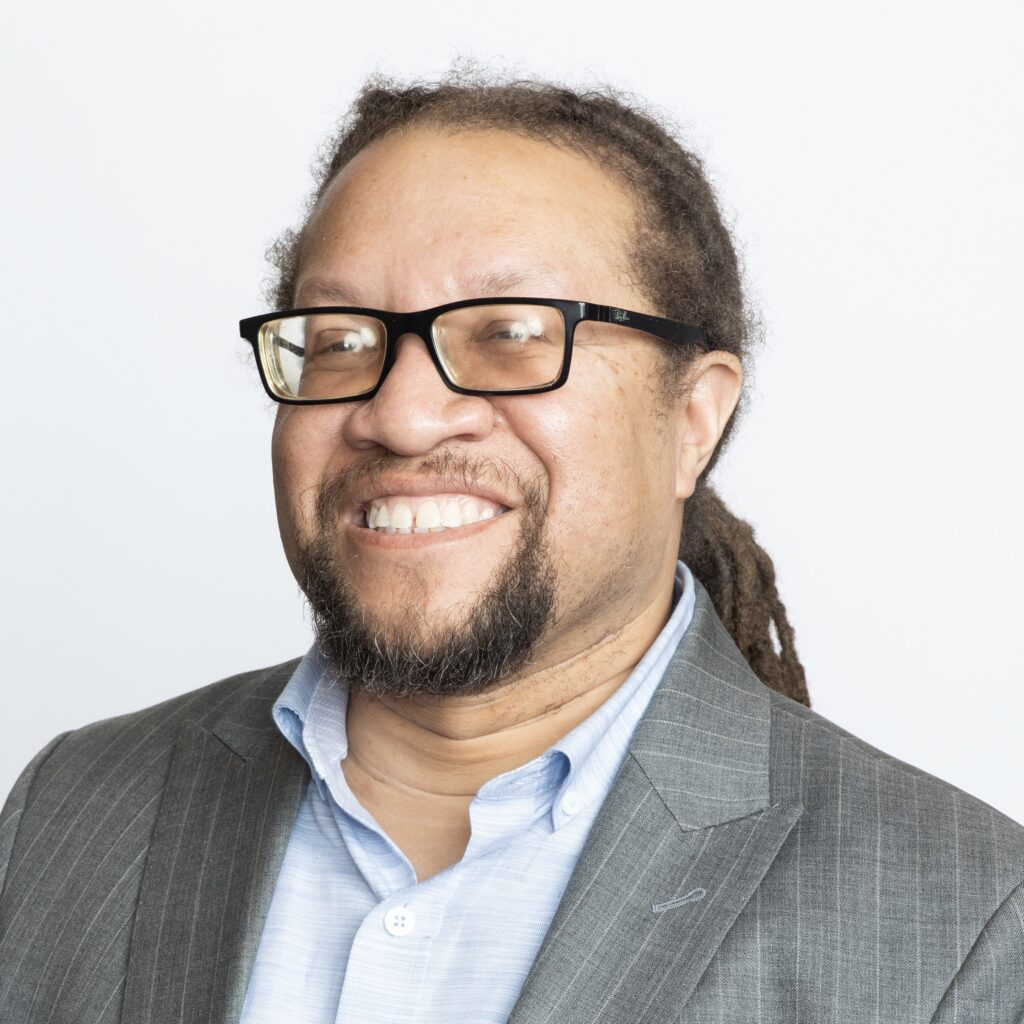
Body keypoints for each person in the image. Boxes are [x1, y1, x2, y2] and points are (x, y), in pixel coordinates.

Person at [1, 73, 1022, 1024]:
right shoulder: (72, 809)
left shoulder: (961, 918)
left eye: (510, 332)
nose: (400, 415)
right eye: (340, 338)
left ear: (692, 419)